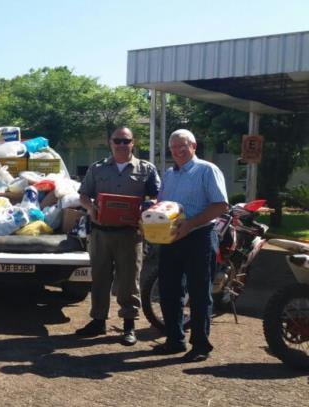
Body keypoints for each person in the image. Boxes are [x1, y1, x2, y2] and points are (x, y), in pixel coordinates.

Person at [75, 127, 161, 345]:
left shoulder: (146, 169)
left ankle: (128, 325)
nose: (122, 144)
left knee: (129, 280)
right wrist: (90, 209)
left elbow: (157, 195)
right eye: (117, 141)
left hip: (130, 235)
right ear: (110, 142)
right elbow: (84, 194)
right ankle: (98, 320)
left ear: (133, 143)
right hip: (101, 233)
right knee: (100, 279)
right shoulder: (98, 168)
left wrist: (149, 210)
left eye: (126, 141)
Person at [153, 129, 229, 362]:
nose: (177, 151)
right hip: (171, 239)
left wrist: (190, 224)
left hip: (200, 237)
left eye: (182, 146)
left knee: (199, 293)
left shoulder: (207, 170)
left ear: (194, 146)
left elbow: (220, 206)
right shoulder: (169, 174)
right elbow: (161, 204)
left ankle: (200, 345)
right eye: (173, 147)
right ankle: (175, 340)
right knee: (169, 291)